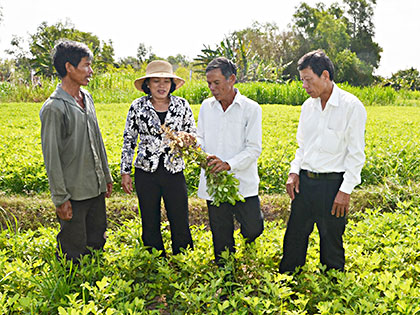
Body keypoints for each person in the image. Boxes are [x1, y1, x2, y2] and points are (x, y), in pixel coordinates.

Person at [279, 50, 367, 273]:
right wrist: (294, 172)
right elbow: (302, 147)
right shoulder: (308, 107)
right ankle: (288, 281)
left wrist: (345, 191)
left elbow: (356, 155)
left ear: (325, 76)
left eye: (308, 80)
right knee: (294, 238)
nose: (304, 86)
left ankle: (334, 289)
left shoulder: (351, 106)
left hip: (333, 186)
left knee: (332, 243)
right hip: (305, 183)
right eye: (302, 81)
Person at [39, 40, 113, 263]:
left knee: (97, 241)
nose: (90, 71)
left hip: (95, 188)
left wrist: (106, 176)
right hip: (74, 193)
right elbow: (51, 157)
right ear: (69, 67)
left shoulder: (86, 98)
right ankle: (71, 292)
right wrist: (61, 198)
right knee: (73, 248)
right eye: (86, 65)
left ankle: (94, 289)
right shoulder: (54, 107)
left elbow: (97, 140)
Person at [120, 60, 195, 257]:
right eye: (156, 81)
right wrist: (125, 171)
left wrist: (187, 140)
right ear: (148, 84)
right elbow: (129, 139)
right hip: (146, 171)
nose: (161, 86)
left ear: (172, 84)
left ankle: (183, 257)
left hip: (174, 169)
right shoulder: (137, 107)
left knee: (179, 217)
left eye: (166, 81)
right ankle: (155, 258)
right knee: (149, 218)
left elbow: (193, 134)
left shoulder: (182, 105)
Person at [197, 57, 264, 264]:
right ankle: (226, 275)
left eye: (216, 83)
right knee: (221, 233)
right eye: (209, 83)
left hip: (243, 181)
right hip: (215, 183)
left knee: (254, 227)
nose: (212, 88)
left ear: (232, 79)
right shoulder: (206, 106)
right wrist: (198, 150)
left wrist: (228, 164)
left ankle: (248, 244)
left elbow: (253, 148)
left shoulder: (251, 109)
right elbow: (200, 137)